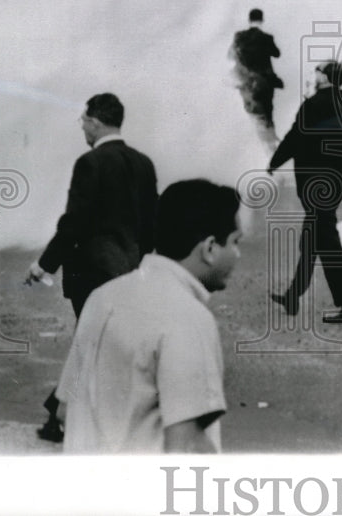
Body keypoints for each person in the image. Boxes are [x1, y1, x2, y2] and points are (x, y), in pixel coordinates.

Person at [56, 179, 241, 453]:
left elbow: (64, 407)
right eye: (236, 242)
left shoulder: (101, 298)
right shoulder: (188, 317)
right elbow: (185, 446)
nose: (238, 254)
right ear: (210, 248)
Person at [25, 93, 158, 442]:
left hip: (91, 271)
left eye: (84, 120)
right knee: (98, 342)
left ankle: (63, 414)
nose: (82, 126)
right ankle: (59, 412)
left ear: (96, 121)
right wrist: (139, 262)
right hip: (130, 269)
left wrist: (43, 265)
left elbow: (74, 224)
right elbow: (151, 223)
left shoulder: (90, 163)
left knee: (92, 342)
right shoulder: (143, 163)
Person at [268, 61, 342, 323]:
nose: (314, 76)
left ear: (327, 77)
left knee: (326, 240)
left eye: (318, 73)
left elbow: (295, 137)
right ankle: (293, 294)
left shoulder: (313, 104)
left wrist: (273, 163)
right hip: (334, 179)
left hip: (315, 182)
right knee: (312, 238)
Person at [231, 7, 283, 136]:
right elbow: (277, 53)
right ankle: (270, 136)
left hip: (246, 80)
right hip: (264, 80)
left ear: (249, 20)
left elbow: (232, 55)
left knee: (250, 110)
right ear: (262, 20)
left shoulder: (239, 36)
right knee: (267, 110)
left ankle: (255, 139)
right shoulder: (266, 38)